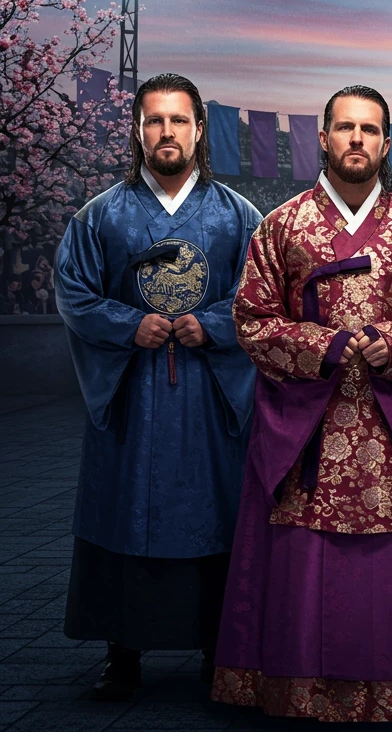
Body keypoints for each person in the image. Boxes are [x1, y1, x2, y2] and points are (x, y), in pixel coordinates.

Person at [212, 85, 392, 722]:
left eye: (369, 130)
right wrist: (322, 345)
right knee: (303, 556)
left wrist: (390, 340)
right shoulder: (281, 225)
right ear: (325, 138)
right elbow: (251, 319)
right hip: (307, 421)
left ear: (386, 143)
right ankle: (298, 687)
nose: (357, 140)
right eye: (344, 128)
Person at [55, 73, 261, 700]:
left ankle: (217, 651)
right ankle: (124, 652)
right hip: (133, 398)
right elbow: (73, 292)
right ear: (138, 131)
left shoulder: (238, 215)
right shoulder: (102, 215)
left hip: (208, 399)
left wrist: (215, 324)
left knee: (216, 514)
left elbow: (261, 299)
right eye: (153, 121)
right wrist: (127, 323)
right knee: (125, 512)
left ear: (200, 129)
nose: (165, 132)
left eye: (178, 120)